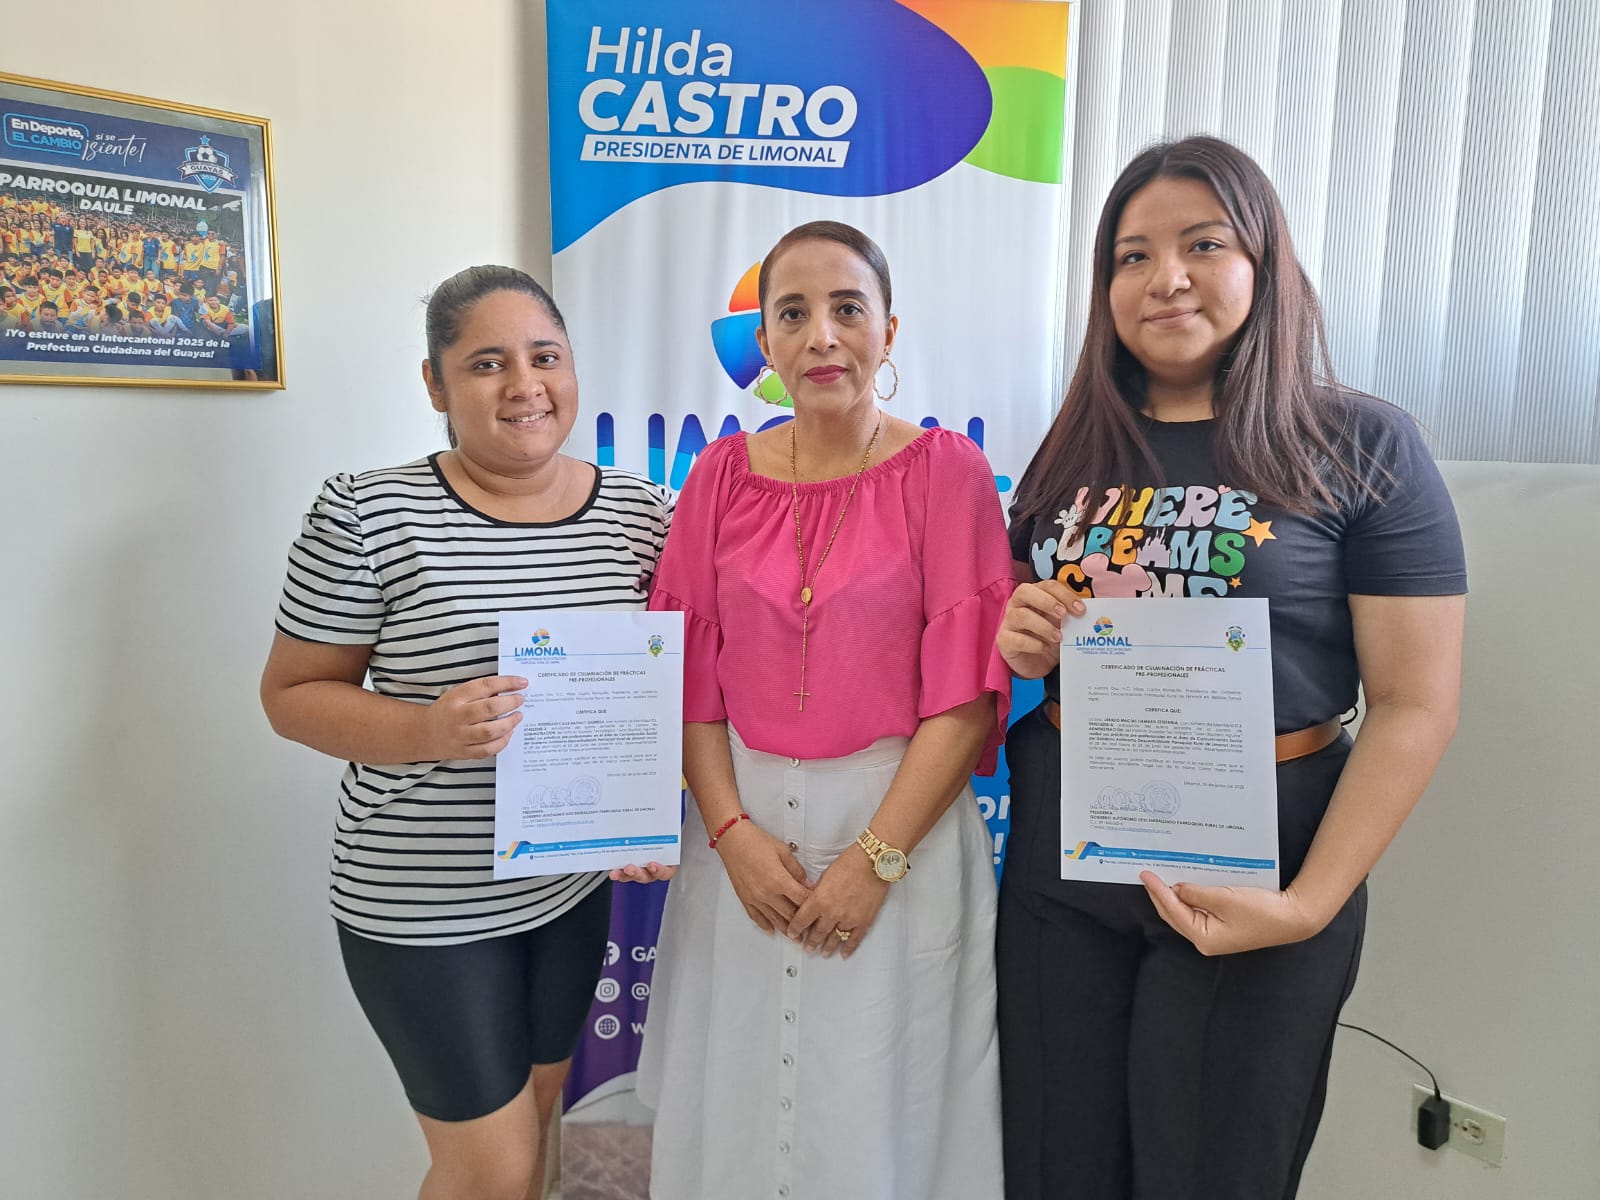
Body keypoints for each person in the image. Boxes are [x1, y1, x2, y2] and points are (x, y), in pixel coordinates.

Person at [993, 136, 1467, 1199]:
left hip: (1262, 872)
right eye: (1132, 255)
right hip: (1066, 870)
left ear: (1263, 262)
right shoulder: (1070, 451)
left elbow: (1414, 704)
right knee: (1055, 1166)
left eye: (1202, 245)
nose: (1165, 278)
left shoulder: (1360, 444)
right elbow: (1030, 627)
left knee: (1215, 1171)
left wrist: (1306, 906)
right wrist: (1023, 636)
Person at [260, 265, 672, 1200]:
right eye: (488, 364)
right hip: (423, 901)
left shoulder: (641, 514)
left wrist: (644, 806)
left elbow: (666, 685)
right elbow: (290, 695)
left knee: (535, 1130)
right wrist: (430, 728)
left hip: (566, 892)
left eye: (545, 357)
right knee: (491, 1171)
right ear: (436, 385)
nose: (525, 385)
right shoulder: (367, 512)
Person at [637, 221, 1014, 1200]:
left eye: (848, 309)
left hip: (900, 832)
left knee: (883, 1108)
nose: (822, 337)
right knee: (737, 1100)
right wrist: (730, 833)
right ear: (763, 341)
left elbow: (967, 699)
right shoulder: (718, 477)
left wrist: (873, 860)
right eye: (793, 314)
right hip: (745, 836)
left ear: (889, 331)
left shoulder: (948, 473)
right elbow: (688, 682)